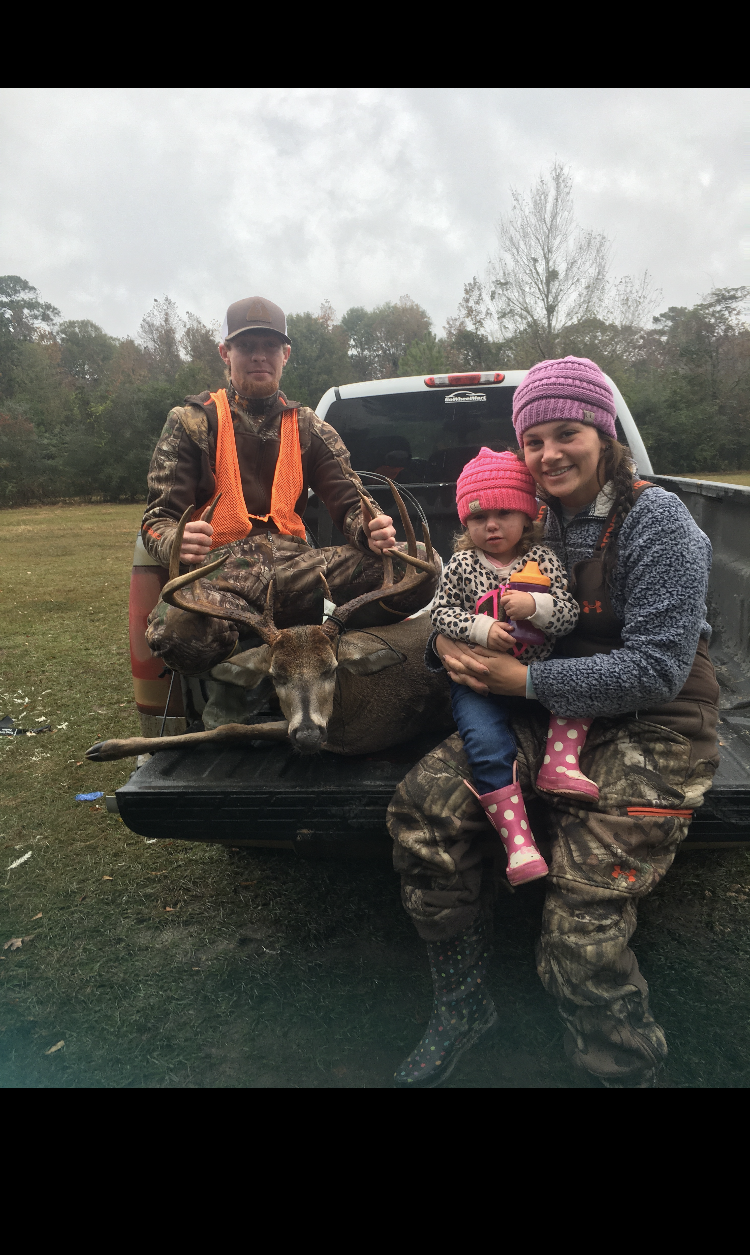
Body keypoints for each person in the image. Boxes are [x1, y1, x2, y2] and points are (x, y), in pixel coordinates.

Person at [388, 355, 720, 1088]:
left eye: (566, 432)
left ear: (603, 434)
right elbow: (460, 619)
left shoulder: (656, 520)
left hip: (654, 719)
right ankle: (464, 1006)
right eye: (533, 440)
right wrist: (449, 648)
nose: (548, 453)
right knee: (423, 811)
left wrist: (524, 678)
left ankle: (621, 1069)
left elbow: (657, 668)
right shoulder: (524, 523)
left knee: (580, 925)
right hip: (549, 705)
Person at [142, 296, 433, 680]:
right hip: (224, 573)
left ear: (286, 354)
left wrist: (368, 529)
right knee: (175, 631)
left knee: (420, 567)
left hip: (299, 568)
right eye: (246, 346)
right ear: (225, 352)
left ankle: (334, 643)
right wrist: (174, 542)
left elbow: (351, 504)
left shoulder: (310, 427)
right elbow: (157, 519)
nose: (259, 356)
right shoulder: (192, 422)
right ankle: (244, 675)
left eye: (270, 346)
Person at [432, 447, 596, 888]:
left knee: (579, 686)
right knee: (484, 743)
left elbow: (567, 615)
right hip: (482, 682)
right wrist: (482, 629)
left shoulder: (541, 560)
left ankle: (560, 766)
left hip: (541, 673)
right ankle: (519, 844)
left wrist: (536, 606)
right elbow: (441, 615)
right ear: (464, 523)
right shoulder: (462, 566)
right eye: (477, 516)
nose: (491, 525)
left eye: (504, 513)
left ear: (528, 516)